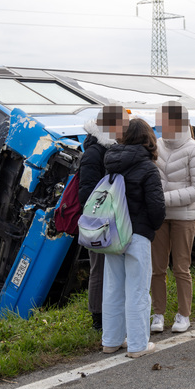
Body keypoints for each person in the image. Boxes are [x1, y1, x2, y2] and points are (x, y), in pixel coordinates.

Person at [100, 118, 166, 357]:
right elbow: (157, 207)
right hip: (137, 233)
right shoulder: (148, 168)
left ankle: (111, 341)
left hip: (112, 233)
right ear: (148, 139)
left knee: (113, 288)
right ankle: (138, 344)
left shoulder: (111, 162)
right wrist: (152, 227)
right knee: (137, 290)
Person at [151, 102, 195, 334]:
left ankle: (184, 314)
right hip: (160, 216)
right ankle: (158, 313)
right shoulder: (155, 146)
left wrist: (163, 199)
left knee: (181, 268)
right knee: (157, 268)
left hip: (184, 217)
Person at [79, 105, 129, 331]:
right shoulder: (95, 152)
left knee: (110, 268)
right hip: (100, 220)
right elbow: (87, 191)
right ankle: (98, 317)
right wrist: (100, 217)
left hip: (113, 218)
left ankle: (111, 311)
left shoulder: (108, 148)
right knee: (98, 268)